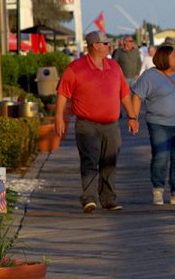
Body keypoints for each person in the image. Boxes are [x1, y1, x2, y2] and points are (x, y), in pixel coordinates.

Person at [55, 31, 139, 213]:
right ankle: (89, 198)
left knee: (110, 161)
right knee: (89, 161)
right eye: (106, 43)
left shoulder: (114, 66)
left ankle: (108, 199)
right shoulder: (75, 68)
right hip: (87, 124)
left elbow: (124, 94)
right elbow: (63, 93)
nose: (110, 46)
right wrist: (59, 117)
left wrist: (132, 116)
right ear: (95, 45)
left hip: (112, 125)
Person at [130, 45, 175, 206]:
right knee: (161, 156)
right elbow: (137, 96)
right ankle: (158, 190)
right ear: (164, 59)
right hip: (159, 123)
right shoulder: (149, 76)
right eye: (174, 56)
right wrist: (133, 118)